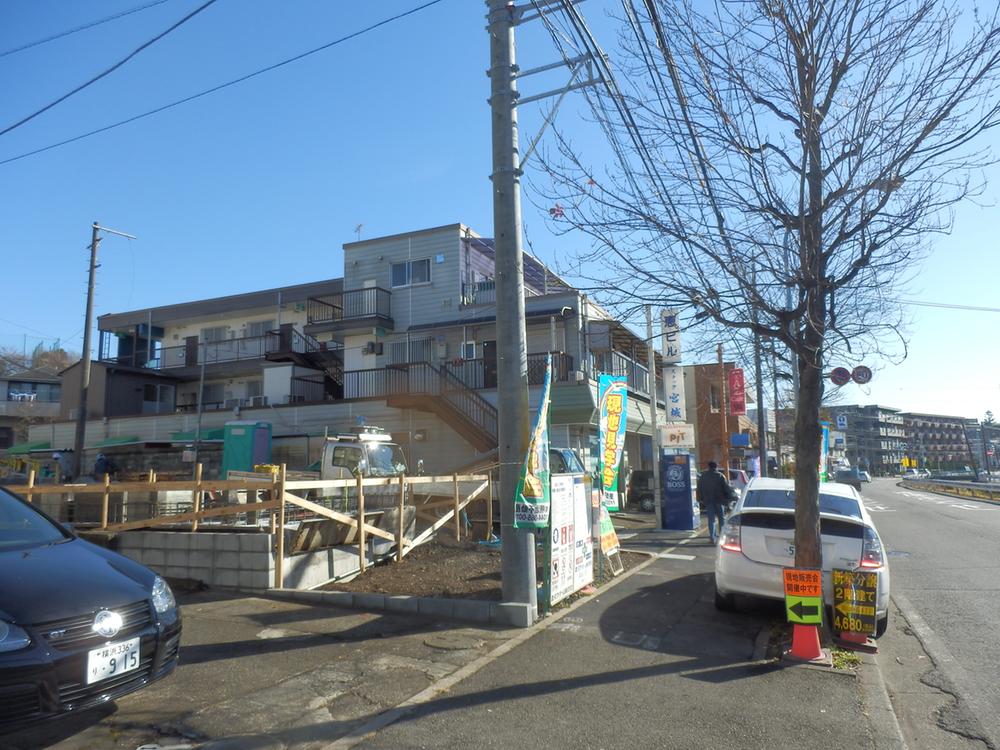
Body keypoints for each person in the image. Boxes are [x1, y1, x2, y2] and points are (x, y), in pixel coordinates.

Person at [697, 461, 735, 544]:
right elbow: (726, 488)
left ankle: (712, 538)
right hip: (719, 500)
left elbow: (699, 488)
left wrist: (700, 499)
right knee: (721, 518)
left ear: (708, 467)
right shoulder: (720, 476)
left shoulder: (703, 476)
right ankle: (721, 537)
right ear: (716, 467)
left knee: (711, 519)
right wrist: (730, 498)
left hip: (708, 500)